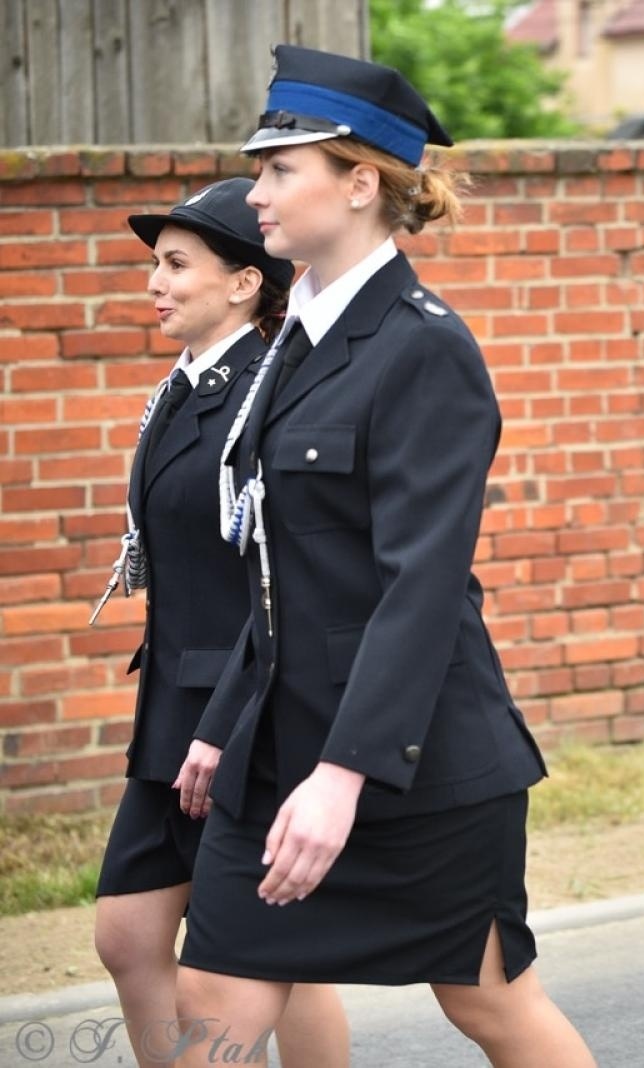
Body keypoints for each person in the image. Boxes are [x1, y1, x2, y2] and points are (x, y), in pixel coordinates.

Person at [169, 46, 594, 1068]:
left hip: (412, 767)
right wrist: (224, 725)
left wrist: (344, 773)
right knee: (211, 996)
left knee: (491, 1005)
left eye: (281, 171)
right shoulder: (295, 338)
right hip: (278, 753)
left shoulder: (423, 346)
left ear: (359, 184)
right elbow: (279, 570)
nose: (256, 194)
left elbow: (421, 588)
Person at [90, 178, 348, 1068]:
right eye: (155, 265)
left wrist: (233, 718)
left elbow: (285, 578)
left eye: (176, 265)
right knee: (128, 936)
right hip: (172, 706)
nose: (155, 284)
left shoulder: (267, 396)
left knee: (275, 955)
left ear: (244, 283)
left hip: (242, 717)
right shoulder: (181, 388)